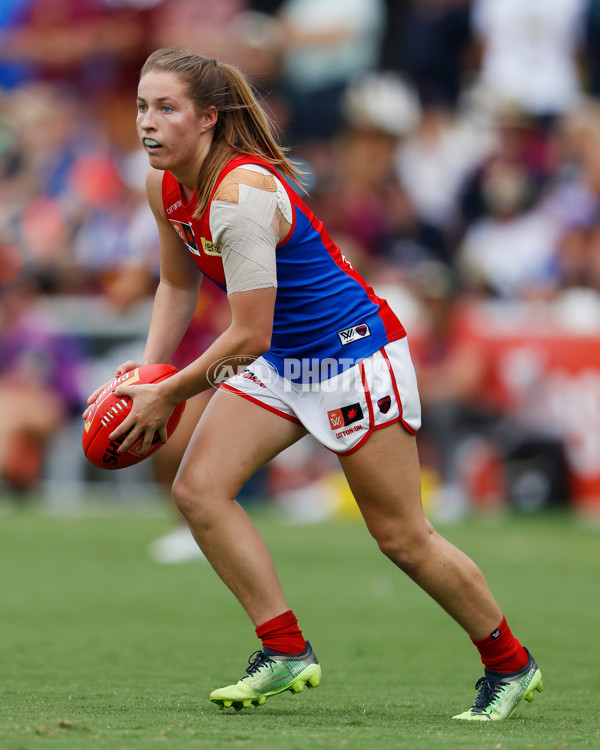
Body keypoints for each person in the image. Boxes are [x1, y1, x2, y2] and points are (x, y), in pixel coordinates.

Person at [83, 47, 543, 720]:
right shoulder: (164, 184)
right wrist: (147, 374)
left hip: (349, 358)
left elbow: (248, 337)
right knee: (199, 490)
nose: (147, 123)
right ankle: (284, 649)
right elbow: (177, 283)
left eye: (167, 108)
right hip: (284, 361)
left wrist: (168, 393)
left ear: (209, 118)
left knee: (401, 537)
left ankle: (511, 663)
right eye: (141, 108)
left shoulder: (239, 196)